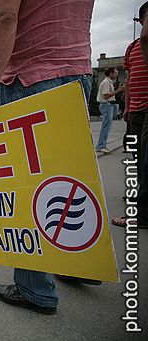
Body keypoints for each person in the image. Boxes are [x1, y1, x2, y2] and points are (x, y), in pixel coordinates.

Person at [0, 0, 95, 315]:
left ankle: (34, 289)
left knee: (30, 185)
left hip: (31, 78)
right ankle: (78, 262)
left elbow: (5, 16)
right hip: (78, 70)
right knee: (72, 178)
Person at [112, 1, 148, 229]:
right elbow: (129, 79)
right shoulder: (133, 47)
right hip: (135, 108)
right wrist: (126, 106)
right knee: (136, 152)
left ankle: (142, 210)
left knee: (146, 155)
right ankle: (138, 194)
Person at [95, 67, 124, 153]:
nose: (116, 74)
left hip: (108, 105)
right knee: (106, 126)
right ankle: (100, 146)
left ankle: (102, 145)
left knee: (107, 127)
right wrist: (118, 90)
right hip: (106, 105)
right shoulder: (106, 82)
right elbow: (106, 96)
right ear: (110, 73)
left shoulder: (108, 82)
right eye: (115, 73)